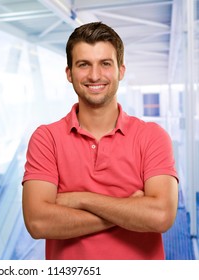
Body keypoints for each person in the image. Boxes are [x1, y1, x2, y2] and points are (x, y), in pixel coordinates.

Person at [21, 22, 178, 260]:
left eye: (105, 64)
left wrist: (80, 199)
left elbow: (161, 216)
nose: (95, 75)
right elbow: (38, 222)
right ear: (69, 73)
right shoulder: (46, 138)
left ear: (120, 71)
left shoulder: (152, 136)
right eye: (84, 64)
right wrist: (129, 210)